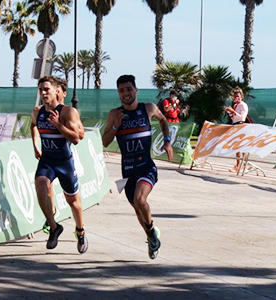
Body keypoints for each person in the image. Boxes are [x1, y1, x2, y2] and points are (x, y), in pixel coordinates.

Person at [101, 75, 173, 260]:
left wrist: (167, 142)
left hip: (146, 167)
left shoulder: (148, 109)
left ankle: (151, 233)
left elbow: (164, 121)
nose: (125, 93)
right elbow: (105, 141)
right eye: (122, 90)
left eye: (128, 89)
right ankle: (151, 236)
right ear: (118, 93)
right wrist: (116, 125)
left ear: (136, 90)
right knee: (138, 209)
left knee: (140, 200)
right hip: (128, 171)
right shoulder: (114, 114)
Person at [31, 75, 88, 254]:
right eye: (40, 90)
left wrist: (58, 125)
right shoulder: (37, 111)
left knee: (74, 202)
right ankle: (54, 226)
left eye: (46, 89)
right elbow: (33, 125)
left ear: (57, 91)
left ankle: (80, 231)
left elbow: (77, 138)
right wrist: (35, 145)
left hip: (64, 162)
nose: (43, 93)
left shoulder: (67, 112)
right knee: (40, 186)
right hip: (47, 160)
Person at [224, 87, 249, 172]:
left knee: (239, 146)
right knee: (237, 146)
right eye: (235, 96)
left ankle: (241, 165)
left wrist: (233, 112)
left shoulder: (243, 105)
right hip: (235, 125)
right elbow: (234, 118)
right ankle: (239, 164)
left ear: (241, 96)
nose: (236, 98)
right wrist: (230, 113)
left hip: (240, 125)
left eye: (238, 96)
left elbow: (242, 117)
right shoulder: (235, 105)